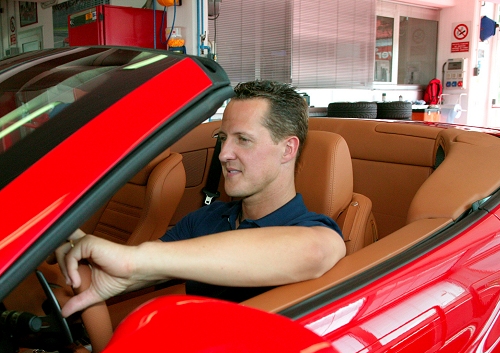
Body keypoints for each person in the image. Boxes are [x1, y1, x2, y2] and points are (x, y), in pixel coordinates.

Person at [57, 80, 346, 318]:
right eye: (223, 138)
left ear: (287, 150)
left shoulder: (313, 230)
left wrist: (134, 260)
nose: (223, 153)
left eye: (243, 140)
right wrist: (79, 253)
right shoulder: (206, 219)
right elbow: (143, 268)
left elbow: (316, 252)